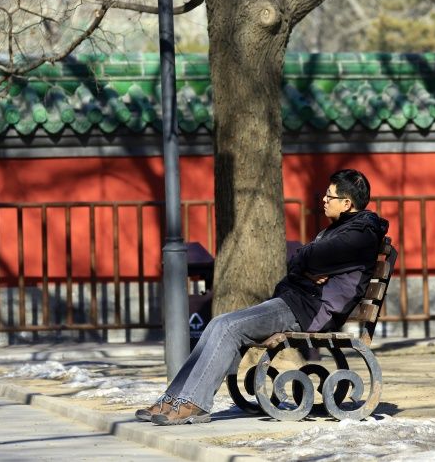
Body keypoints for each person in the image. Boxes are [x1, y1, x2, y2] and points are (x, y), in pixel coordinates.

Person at [136, 169, 389, 426]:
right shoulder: (340, 230)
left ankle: (194, 404)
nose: (324, 199)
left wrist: (306, 261)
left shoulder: (360, 235)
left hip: (309, 311)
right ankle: (173, 398)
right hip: (297, 303)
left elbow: (308, 257)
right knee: (217, 323)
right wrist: (306, 265)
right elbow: (298, 261)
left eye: (329, 196)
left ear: (346, 203)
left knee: (228, 327)